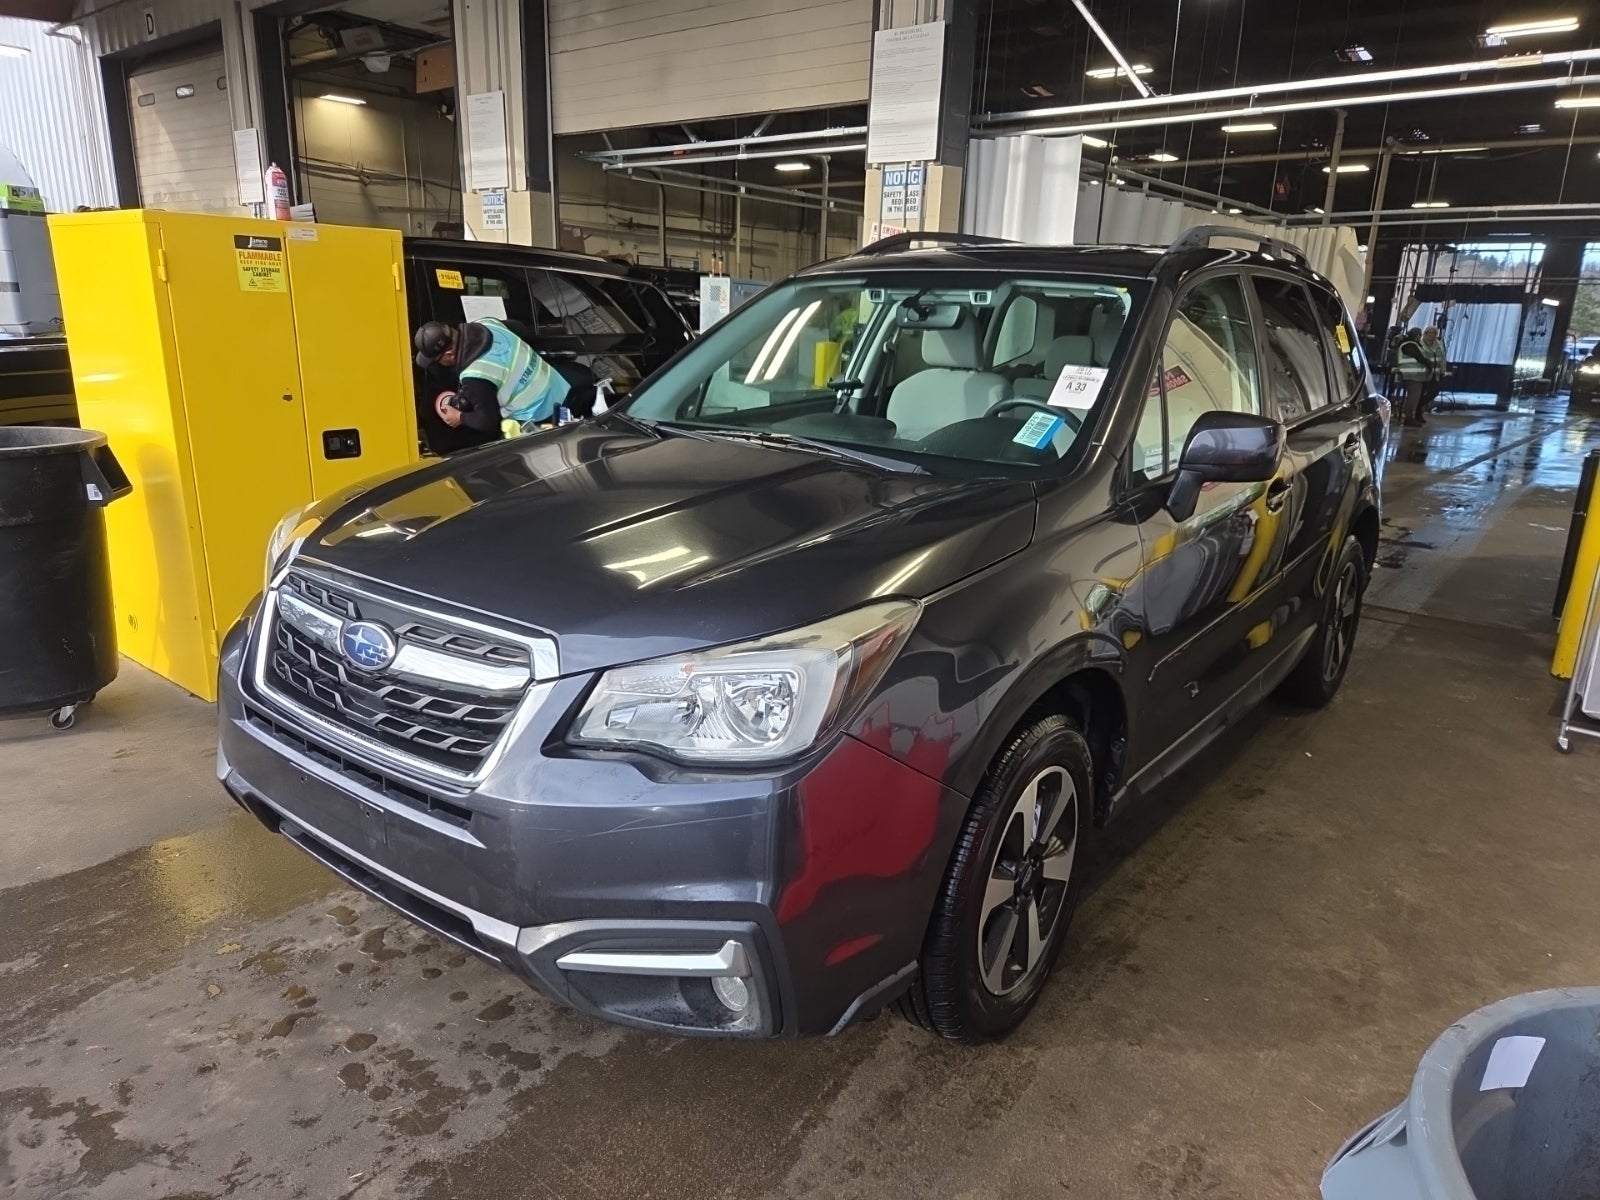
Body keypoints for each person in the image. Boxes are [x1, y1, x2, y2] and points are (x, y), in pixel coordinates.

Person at [414, 317, 572, 439]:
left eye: (437, 360)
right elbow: (519, 328)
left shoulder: (474, 375)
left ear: (449, 354)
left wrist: (459, 417)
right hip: (559, 387)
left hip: (542, 414)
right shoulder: (486, 323)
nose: (439, 365)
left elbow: (488, 422)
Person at [1391, 326, 1432, 426]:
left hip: (1414, 374)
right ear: (1417, 335)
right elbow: (1420, 358)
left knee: (1414, 396)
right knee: (1413, 396)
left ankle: (1409, 416)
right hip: (1412, 374)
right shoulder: (1410, 345)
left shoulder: (1408, 344)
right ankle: (1409, 418)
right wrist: (1428, 364)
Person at [1418, 325, 1448, 416]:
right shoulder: (1420, 344)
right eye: (1430, 333)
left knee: (1434, 392)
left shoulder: (1439, 344)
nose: (1432, 335)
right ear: (1425, 334)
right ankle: (1418, 413)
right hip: (1424, 373)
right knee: (1421, 393)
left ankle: (1418, 406)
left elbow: (1443, 358)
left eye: (1434, 333)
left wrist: (1443, 370)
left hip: (1436, 374)